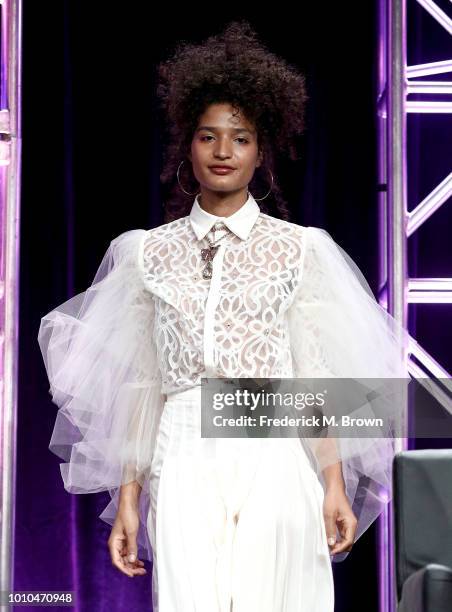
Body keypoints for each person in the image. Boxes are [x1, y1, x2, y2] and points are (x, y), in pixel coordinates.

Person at [38, 21, 410, 612]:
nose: (223, 152)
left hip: (274, 442)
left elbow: (312, 375)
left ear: (261, 150)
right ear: (189, 143)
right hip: (181, 448)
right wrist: (128, 501)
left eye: (239, 138)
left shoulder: (301, 248)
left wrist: (334, 483)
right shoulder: (145, 252)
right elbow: (141, 385)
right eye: (209, 137)